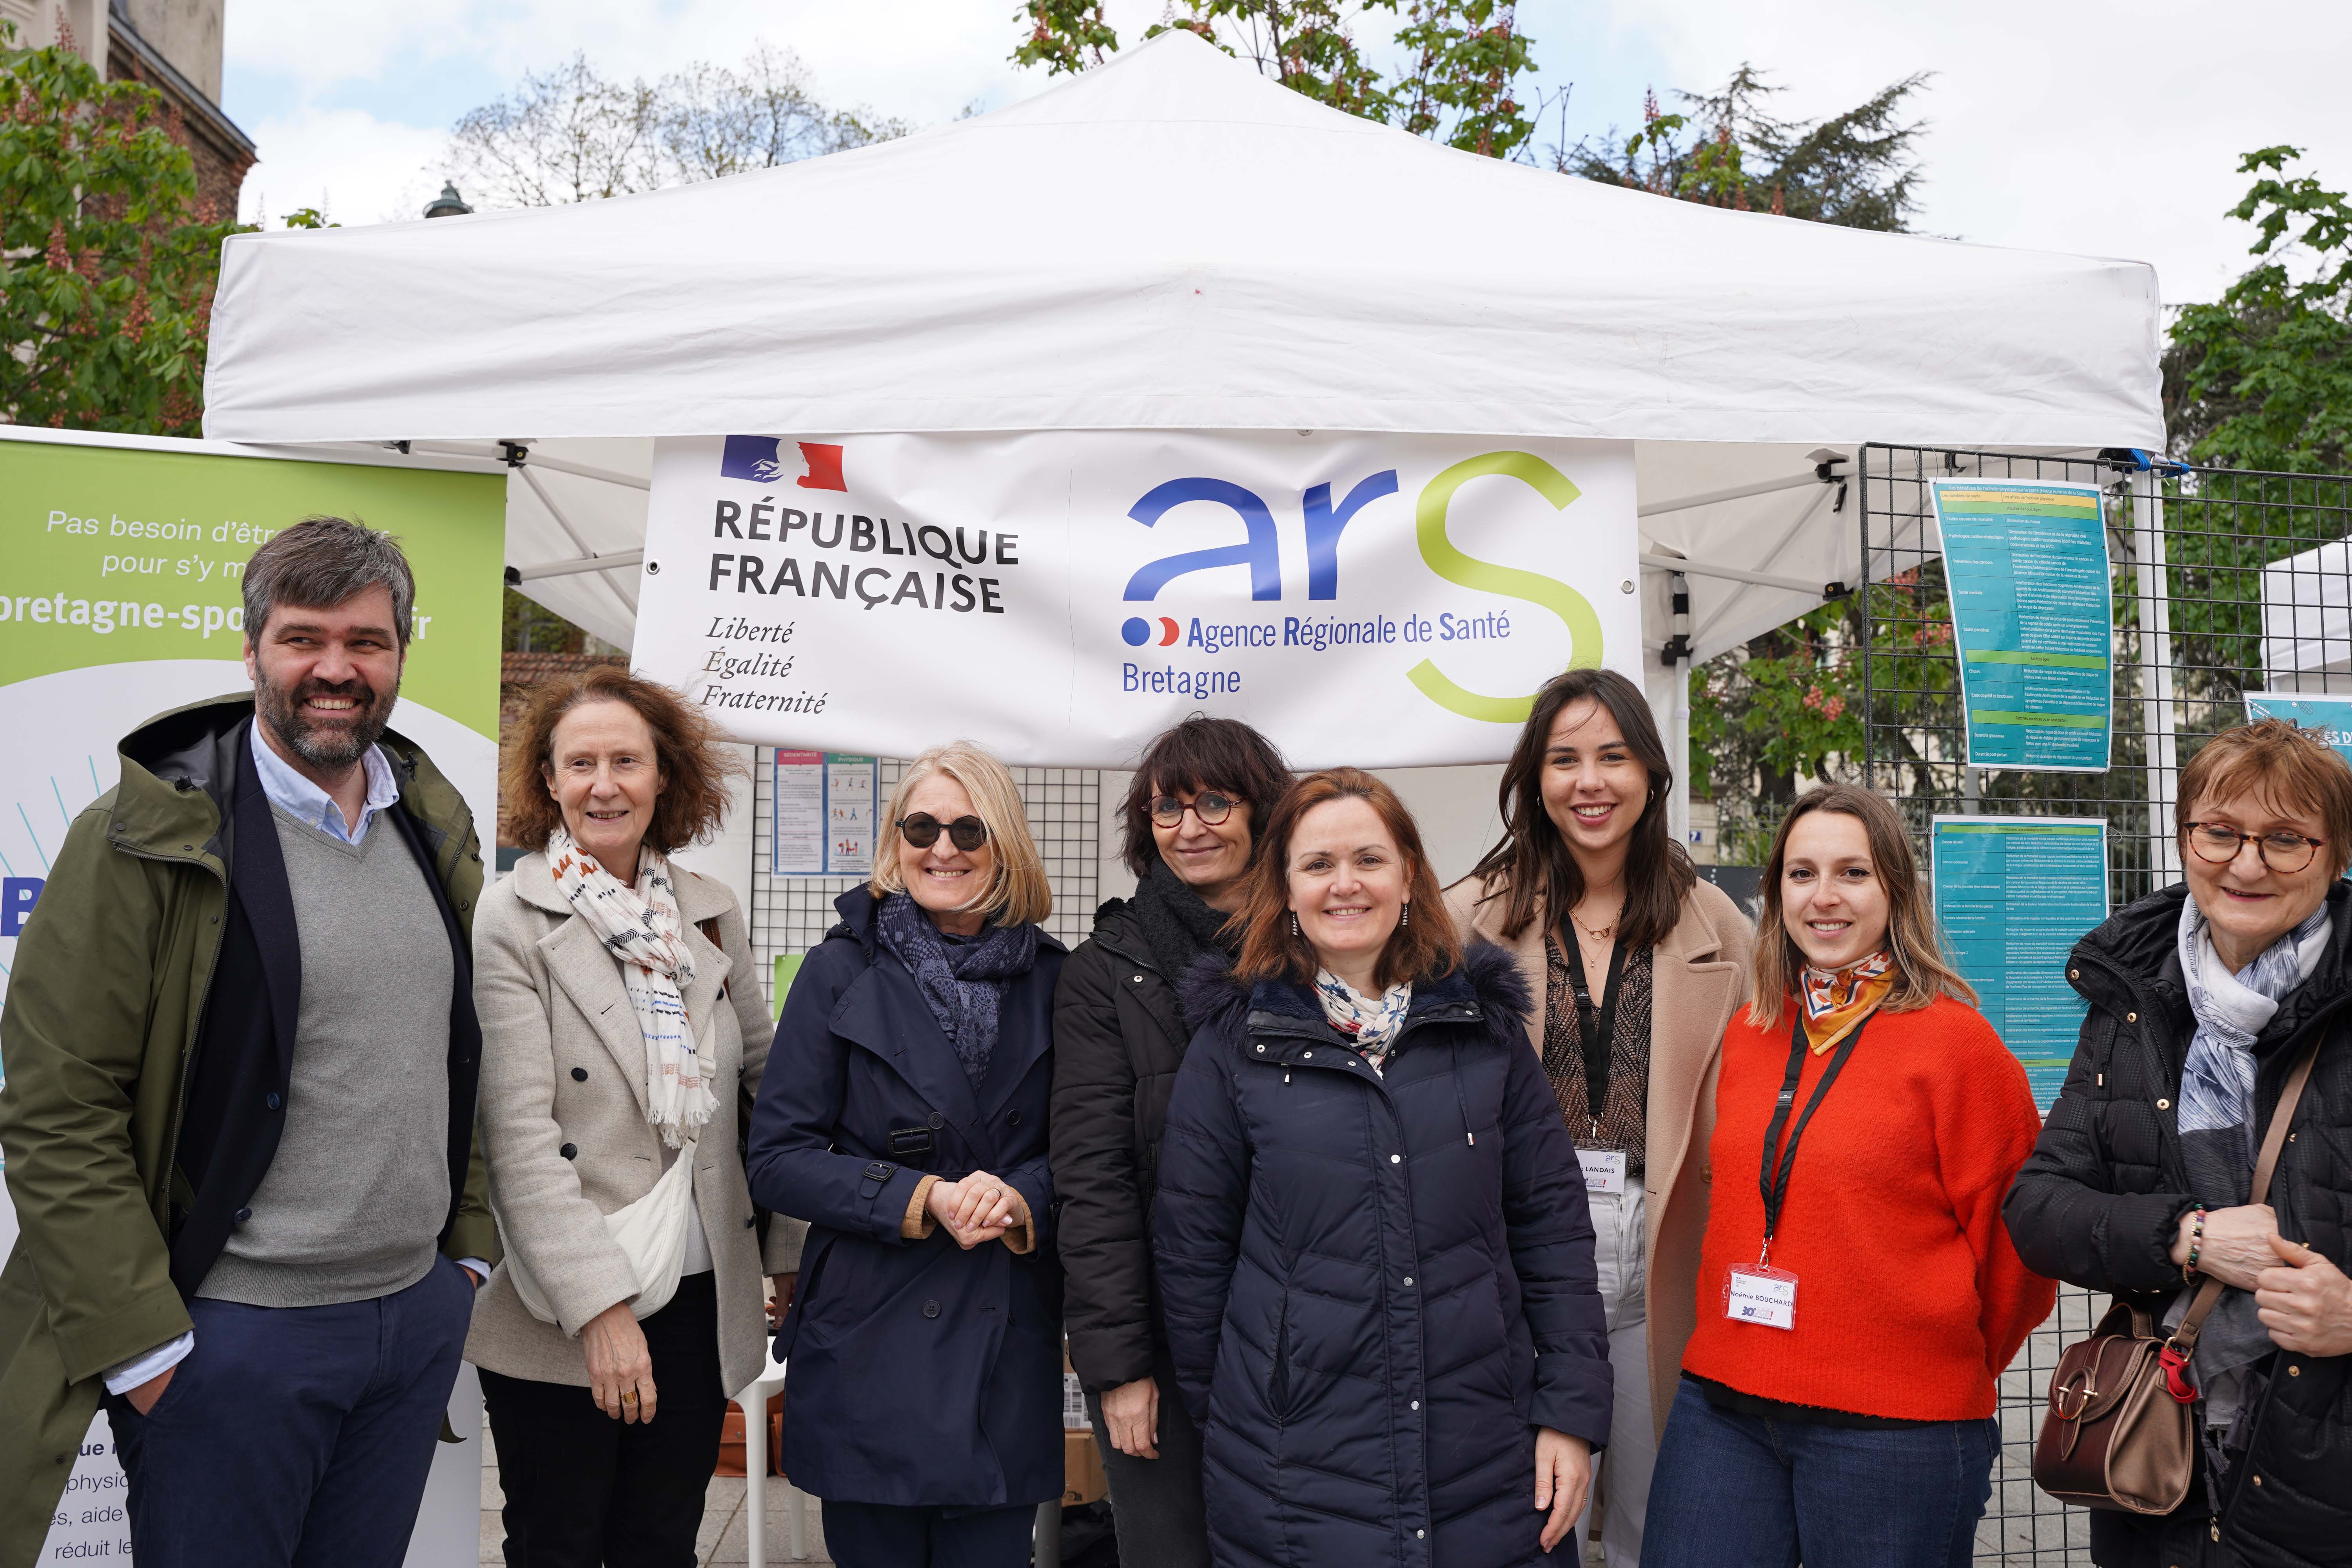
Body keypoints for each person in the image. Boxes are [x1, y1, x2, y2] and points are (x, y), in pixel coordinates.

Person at [0, 517, 498, 1568]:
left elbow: (457, 1056)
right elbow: (57, 1104)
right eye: (303, 638)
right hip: (232, 1338)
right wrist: (143, 1343)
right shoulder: (143, 839)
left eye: (366, 642)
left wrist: (465, 1259)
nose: (335, 668)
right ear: (253, 650)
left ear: (401, 653)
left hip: (408, 1330)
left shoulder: (431, 827)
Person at [1154, 767, 1612, 1566]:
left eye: (1368, 858)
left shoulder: (1484, 1031)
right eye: (1318, 864)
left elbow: (1553, 1229)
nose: (1345, 884)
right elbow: (1193, 1262)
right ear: (1286, 889)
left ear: (1409, 876)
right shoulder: (1233, 1046)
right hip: (1295, 1474)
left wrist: (1569, 1415)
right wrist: (1251, 1420)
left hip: (1486, 1458)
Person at [1643, 782, 2055, 1568]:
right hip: (1724, 1401)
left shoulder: (1959, 1048)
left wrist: (1918, 1360)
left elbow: (2019, 1259)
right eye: (1802, 874)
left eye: (1852, 873)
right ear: (1775, 894)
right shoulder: (1754, 1029)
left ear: (1896, 889)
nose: (1824, 897)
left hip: (1893, 1429)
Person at [464, 667, 805, 1566]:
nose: (604, 783)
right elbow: (519, 1136)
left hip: (701, 1299)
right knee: (559, 1544)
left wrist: (784, 1252)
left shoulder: (711, 914)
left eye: (627, 759)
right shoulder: (511, 914)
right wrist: (601, 1311)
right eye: (581, 762)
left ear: (665, 776)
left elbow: (770, 1095)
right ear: (548, 781)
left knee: (662, 1543)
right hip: (564, 1304)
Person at [2005, 719, 2352, 1567]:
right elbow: (2038, 1205)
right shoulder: (2134, 1004)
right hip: (2156, 1463)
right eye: (2221, 831)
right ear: (2185, 835)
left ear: (2337, 853)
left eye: (2285, 839)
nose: (2245, 863)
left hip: (2328, 1487)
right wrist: (2184, 1235)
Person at [1443, 668, 1754, 1568]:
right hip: (1521, 1240)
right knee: (1531, 1507)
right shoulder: (1469, 915)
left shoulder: (1714, 918)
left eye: (1613, 756)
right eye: (1565, 758)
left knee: (1662, 1511)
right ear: (1533, 778)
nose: (1591, 782)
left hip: (1663, 1237)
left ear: (1651, 773)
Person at [747, 741, 1065, 1568]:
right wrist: (919, 1196)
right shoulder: (836, 971)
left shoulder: (1063, 981)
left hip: (1003, 1342)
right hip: (870, 1342)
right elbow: (778, 1156)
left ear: (1007, 844)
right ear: (894, 839)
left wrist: (1024, 1195)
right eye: (921, 824)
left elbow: (1093, 1153)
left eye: (969, 827)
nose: (943, 846)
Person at [1053, 716, 1290, 1568]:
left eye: (1215, 802)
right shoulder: (1106, 971)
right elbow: (1094, 1179)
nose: (1190, 828)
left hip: (1309, 1333)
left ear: (1265, 811)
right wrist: (1118, 1369)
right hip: (1164, 1340)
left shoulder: (1322, 950)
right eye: (1167, 810)